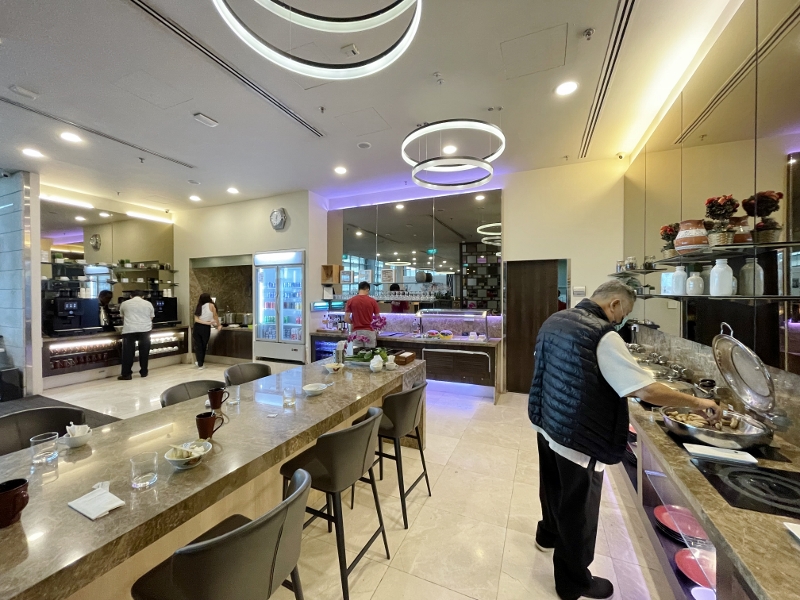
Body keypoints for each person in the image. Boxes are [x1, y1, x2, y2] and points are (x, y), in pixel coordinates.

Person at [528, 280, 721, 600]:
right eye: (624, 313)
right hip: (579, 433)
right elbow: (645, 390)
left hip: (548, 419)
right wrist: (699, 403)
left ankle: (547, 534)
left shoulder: (556, 319)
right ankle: (573, 581)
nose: (622, 320)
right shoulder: (603, 335)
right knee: (579, 509)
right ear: (615, 304)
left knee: (552, 487)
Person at [118, 291, 154, 380]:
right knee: (144, 352)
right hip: (145, 330)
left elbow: (122, 317)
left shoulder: (124, 303)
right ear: (143, 296)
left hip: (129, 330)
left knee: (128, 353)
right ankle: (144, 372)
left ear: (131, 296)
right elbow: (151, 317)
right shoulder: (148, 304)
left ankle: (126, 374)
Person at [344, 281, 381, 348]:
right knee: (370, 353)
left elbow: (346, 319)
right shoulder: (372, 301)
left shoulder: (351, 301)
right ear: (368, 290)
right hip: (369, 332)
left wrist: (354, 322)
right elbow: (378, 318)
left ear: (359, 289)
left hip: (356, 332)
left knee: (357, 353)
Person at [193, 293, 221, 370]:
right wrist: (218, 325)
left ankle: (199, 362)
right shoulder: (211, 305)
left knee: (198, 345)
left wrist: (206, 322)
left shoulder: (199, 306)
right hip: (205, 328)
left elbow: (196, 319)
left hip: (197, 327)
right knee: (203, 345)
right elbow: (215, 316)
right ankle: (200, 363)